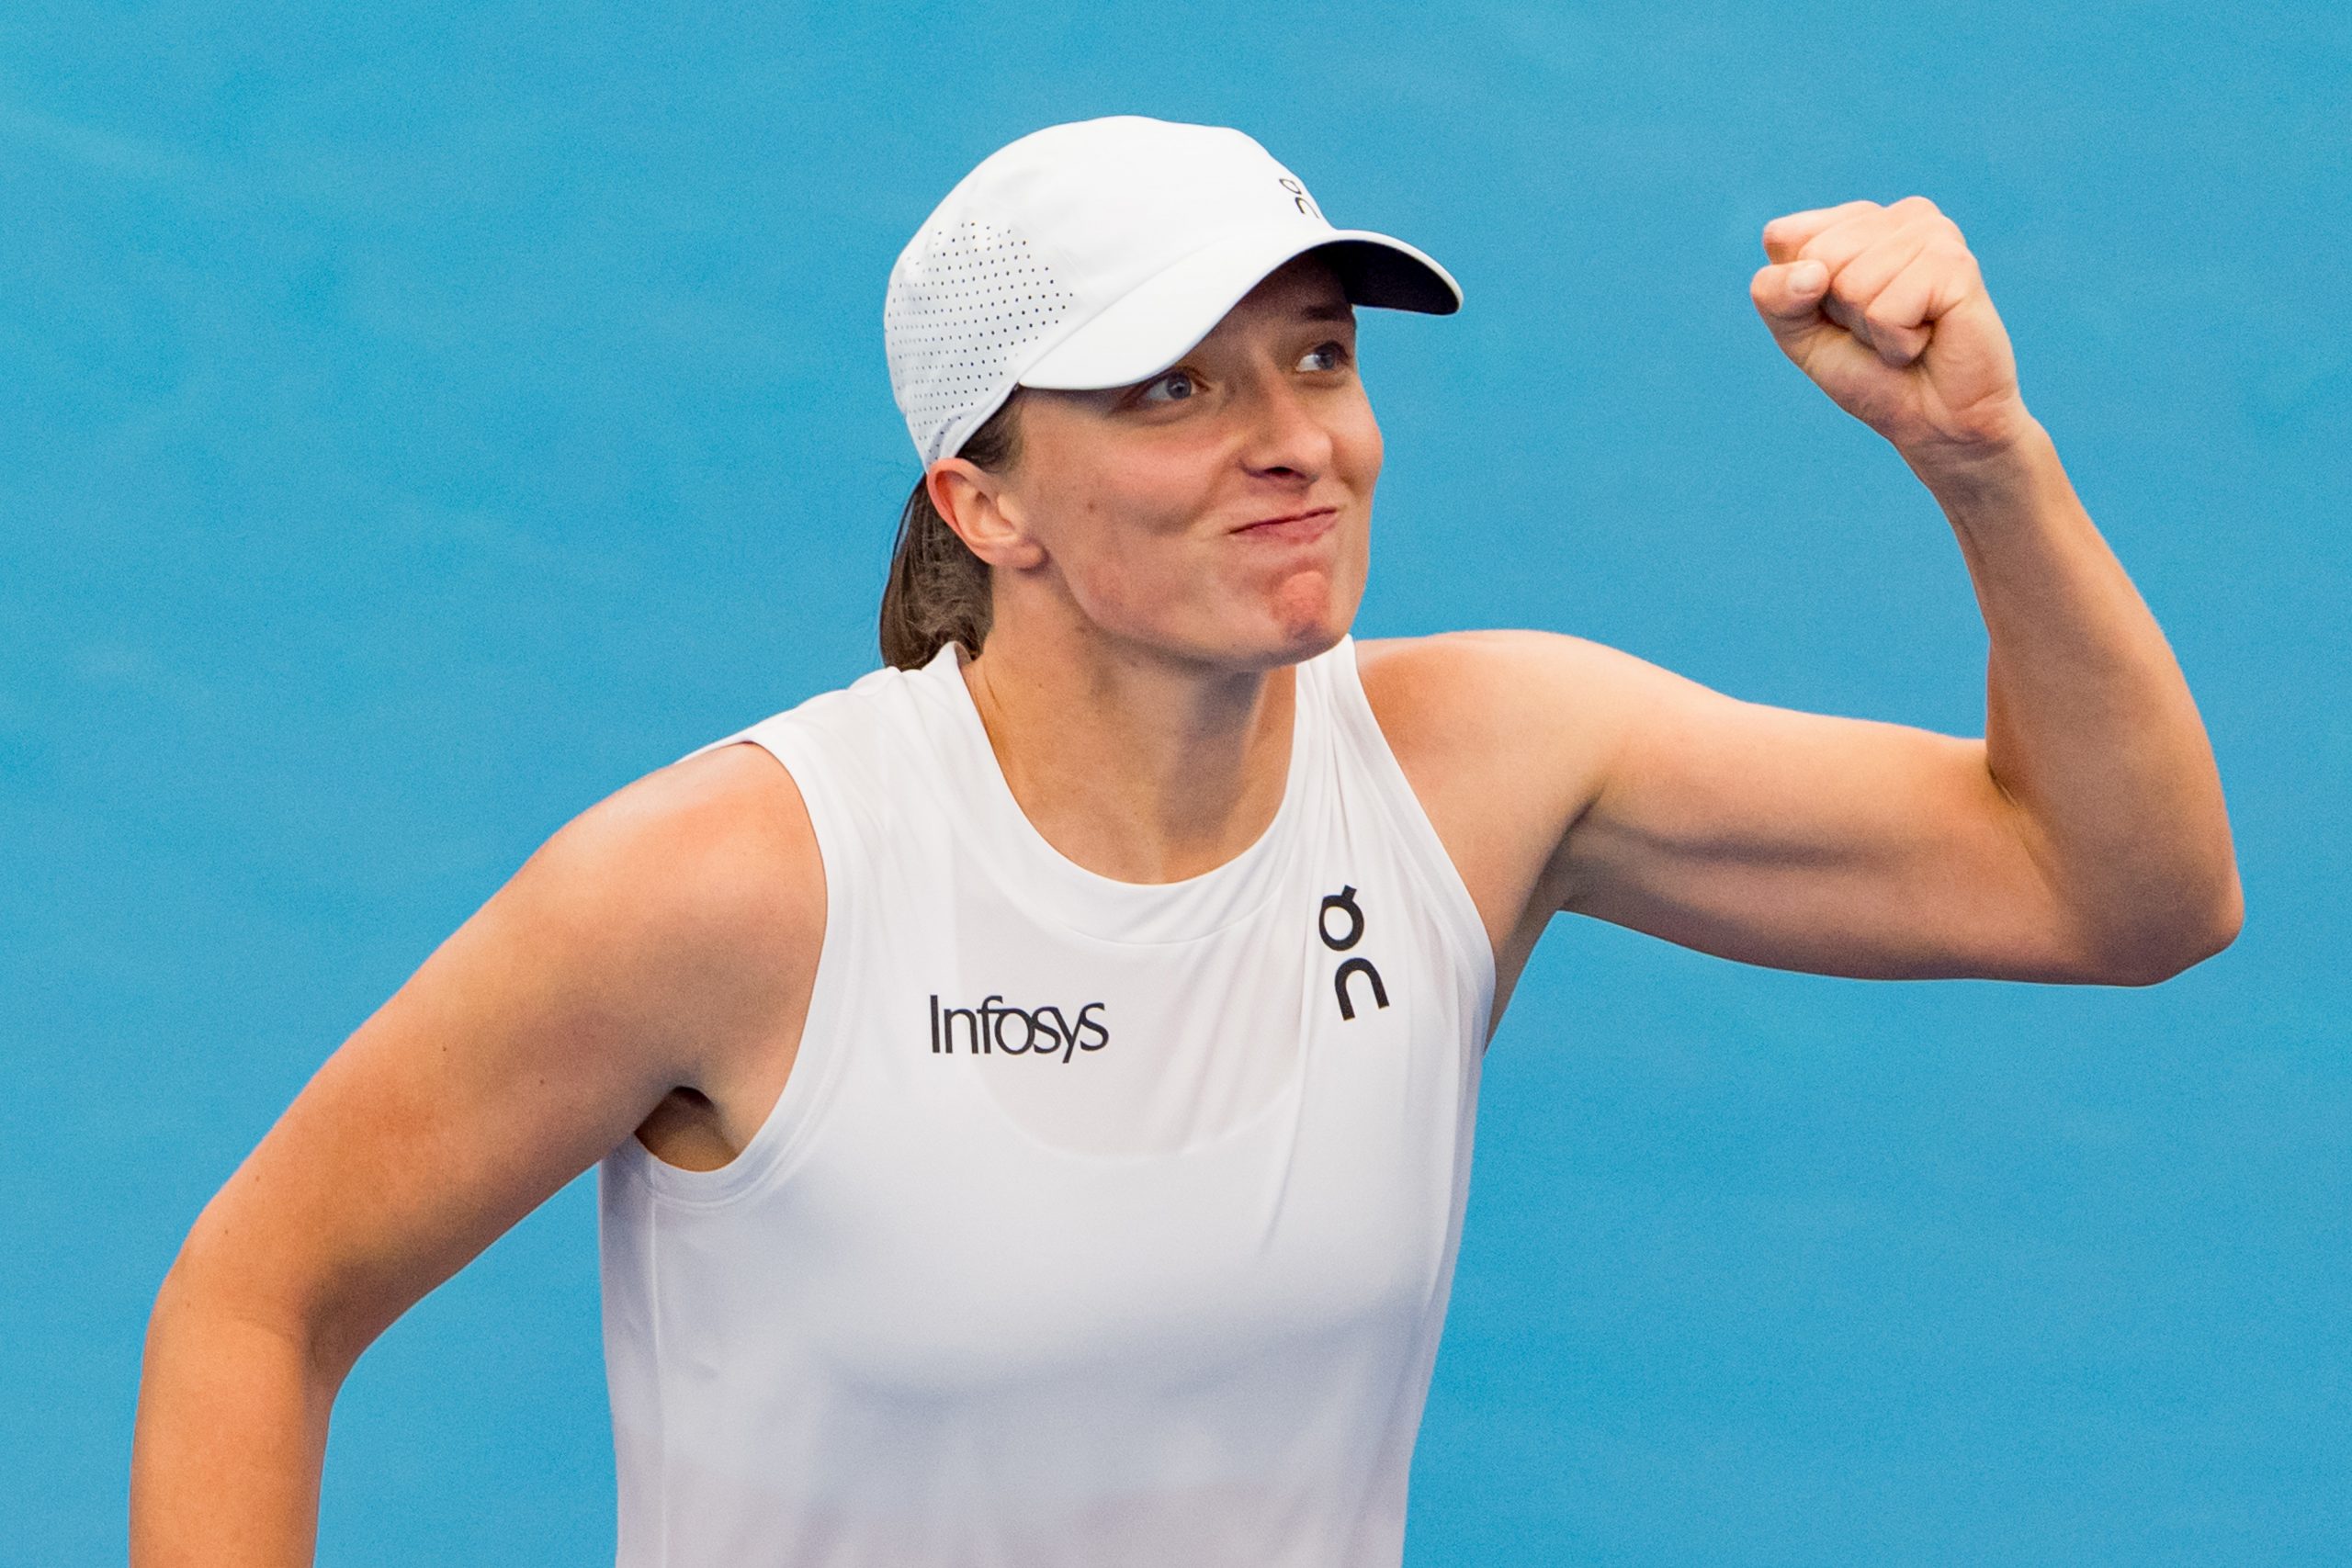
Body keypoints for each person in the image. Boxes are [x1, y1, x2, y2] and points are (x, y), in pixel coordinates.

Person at [130, 114, 2240, 1566]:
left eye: (1313, 356)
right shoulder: (736, 883)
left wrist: (1983, 461)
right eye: (1168, 391)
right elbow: (258, 1291)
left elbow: (2116, 892)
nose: (1291, 440)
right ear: (986, 501)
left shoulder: (1478, 765)